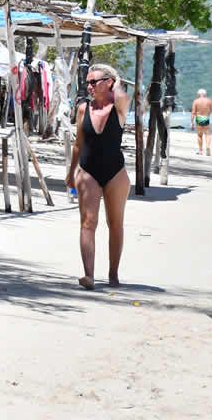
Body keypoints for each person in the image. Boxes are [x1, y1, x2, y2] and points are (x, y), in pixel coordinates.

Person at [66, 63, 131, 291]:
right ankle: (89, 275)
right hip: (88, 170)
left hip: (116, 172)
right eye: (87, 83)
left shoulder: (119, 106)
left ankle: (113, 275)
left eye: (94, 82)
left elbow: (123, 94)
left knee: (115, 223)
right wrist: (71, 172)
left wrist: (116, 80)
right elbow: (78, 144)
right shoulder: (84, 108)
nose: (89, 86)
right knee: (88, 222)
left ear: (109, 83)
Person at [189, 88, 212, 156]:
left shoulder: (196, 101)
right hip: (206, 118)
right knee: (207, 134)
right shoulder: (209, 101)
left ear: (198, 94)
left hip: (199, 118)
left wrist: (192, 122)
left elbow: (193, 112)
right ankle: (207, 146)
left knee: (199, 135)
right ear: (205, 94)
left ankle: (200, 151)